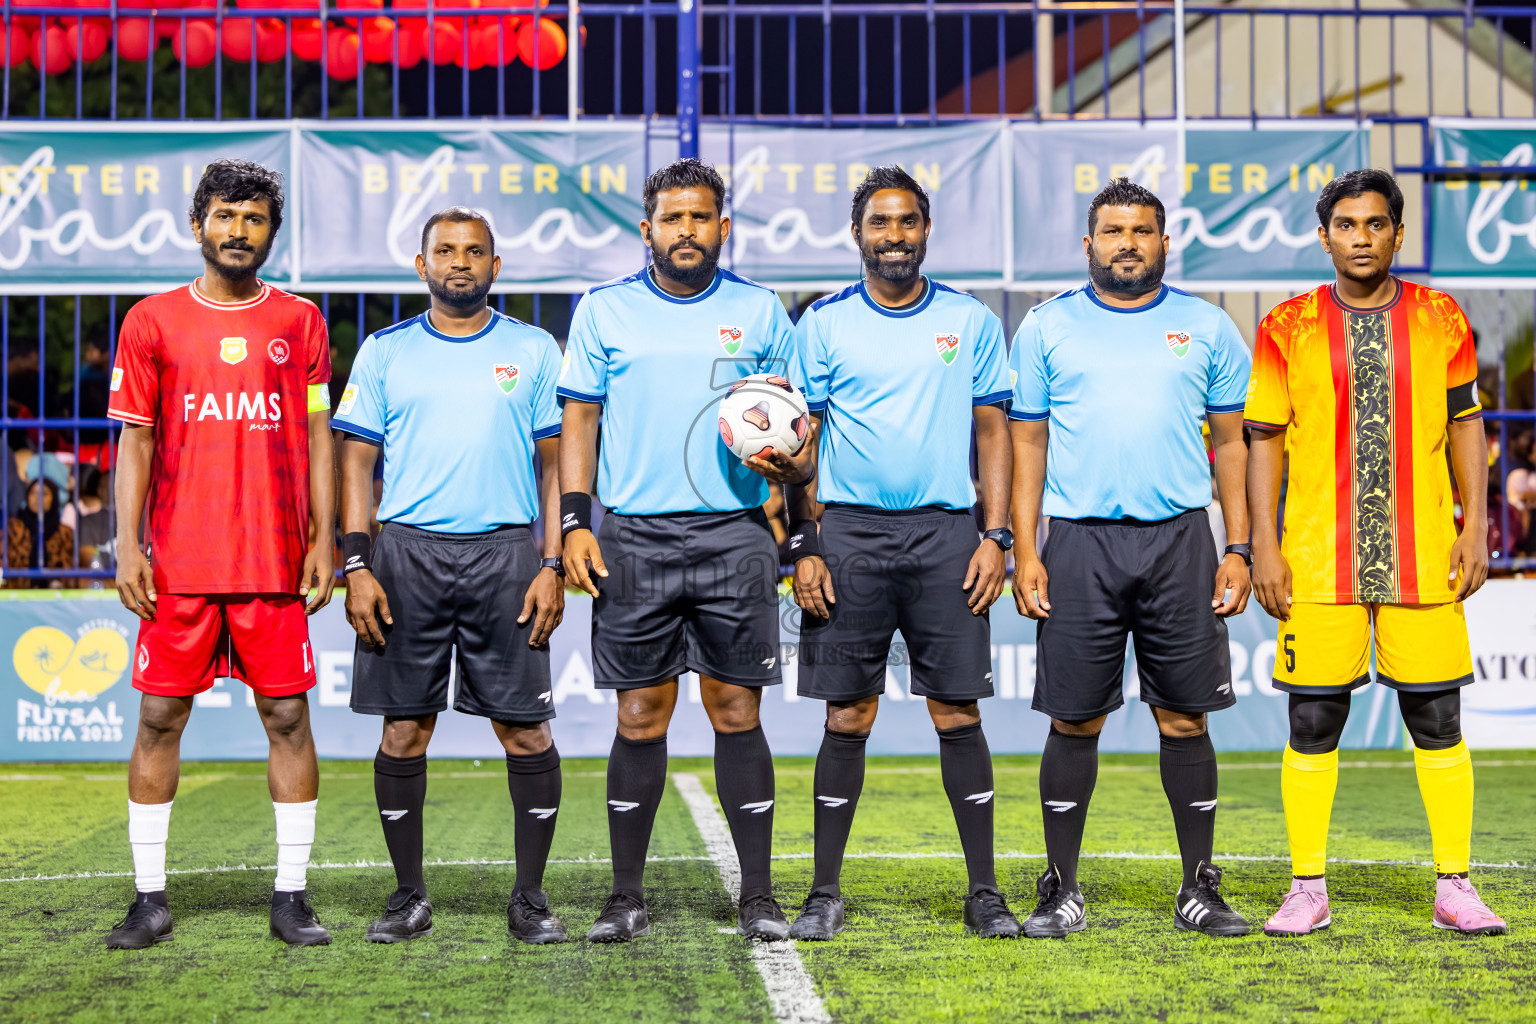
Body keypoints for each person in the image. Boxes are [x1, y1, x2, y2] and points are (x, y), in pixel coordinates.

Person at [1247, 169, 1506, 937]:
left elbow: (1466, 425)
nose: (1362, 236)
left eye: (1377, 223)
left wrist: (1476, 523)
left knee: (1436, 716)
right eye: (1347, 225)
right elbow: (1262, 441)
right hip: (1316, 562)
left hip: (1425, 553)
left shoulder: (1440, 316)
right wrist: (1263, 544)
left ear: (1397, 233)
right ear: (1324, 237)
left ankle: (1454, 885)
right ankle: (1306, 887)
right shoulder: (1286, 325)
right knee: (1314, 719)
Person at [559, 158, 796, 943]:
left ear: (723, 228)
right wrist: (574, 522)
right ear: (648, 229)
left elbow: (796, 424)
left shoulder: (762, 313)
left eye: (701, 218)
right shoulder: (603, 311)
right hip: (634, 534)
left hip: (734, 534)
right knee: (639, 714)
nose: (686, 230)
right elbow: (580, 423)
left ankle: (757, 893)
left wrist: (796, 502)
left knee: (737, 710)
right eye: (673, 217)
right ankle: (626, 896)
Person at [1010, 178, 1254, 939]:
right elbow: (1025, 443)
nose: (1127, 243)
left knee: (1185, 719)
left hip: (1181, 539)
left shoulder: (1207, 326)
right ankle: (1061, 888)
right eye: (1113, 232)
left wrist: (1239, 546)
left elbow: (1234, 445)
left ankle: (1198, 886)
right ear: (1088, 245)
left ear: (1164, 242)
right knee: (1074, 720)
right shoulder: (1047, 328)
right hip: (1078, 541)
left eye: (1142, 231)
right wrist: (1027, 550)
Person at [102, 159, 336, 949]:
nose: (239, 230)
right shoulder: (151, 321)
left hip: (272, 560)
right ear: (196, 223)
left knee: (288, 718)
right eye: (226, 215)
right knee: (160, 717)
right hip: (179, 565)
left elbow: (316, 436)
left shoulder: (300, 322)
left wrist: (324, 539)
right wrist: (128, 544)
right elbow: (134, 441)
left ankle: (293, 896)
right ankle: (148, 899)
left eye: (256, 218)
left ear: (273, 231)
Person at [784, 166, 1021, 941]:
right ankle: (824, 892)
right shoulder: (821, 324)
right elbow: (797, 444)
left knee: (958, 707)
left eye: (908, 222)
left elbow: (994, 431)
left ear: (926, 230)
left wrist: (995, 535)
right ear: (858, 234)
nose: (895, 236)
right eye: (880, 223)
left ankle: (983, 892)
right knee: (848, 710)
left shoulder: (969, 319)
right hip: (848, 535)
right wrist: (804, 546)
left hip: (948, 536)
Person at [334, 208, 569, 946]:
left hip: (507, 554)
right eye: (445, 251)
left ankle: (529, 898)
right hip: (405, 556)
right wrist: (356, 564)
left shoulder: (533, 349)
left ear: (496, 267)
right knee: (405, 730)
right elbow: (356, 465)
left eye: (474, 252)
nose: (459, 262)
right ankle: (408, 896)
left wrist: (553, 559)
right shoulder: (384, 351)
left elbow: (558, 463)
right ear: (421, 264)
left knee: (525, 732)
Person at [5, 478, 75, 588]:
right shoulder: (14, 528)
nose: (37, 498)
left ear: (54, 498)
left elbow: (69, 569)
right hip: (17, 596)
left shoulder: (65, 533)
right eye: (33, 492)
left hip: (53, 598)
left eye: (44, 493)